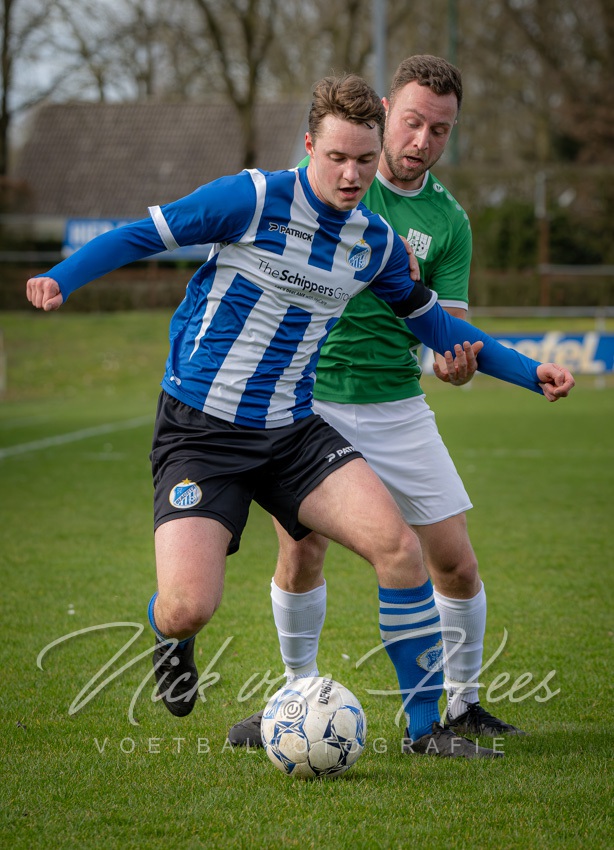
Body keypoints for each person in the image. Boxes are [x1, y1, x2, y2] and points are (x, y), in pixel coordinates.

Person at [27, 74, 573, 760]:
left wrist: (528, 371)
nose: (351, 175)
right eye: (337, 157)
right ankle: (170, 636)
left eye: (364, 160)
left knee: (400, 550)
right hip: (201, 431)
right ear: (310, 146)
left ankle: (425, 729)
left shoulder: (375, 243)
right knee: (188, 606)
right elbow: (143, 235)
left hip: (292, 431)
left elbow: (437, 327)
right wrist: (62, 278)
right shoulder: (251, 198)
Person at [227, 56, 569, 751]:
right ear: (385, 112)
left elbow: (451, 336)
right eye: (412, 122)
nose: (421, 140)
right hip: (311, 402)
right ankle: (294, 701)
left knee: (456, 562)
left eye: (439, 130)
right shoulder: (327, 181)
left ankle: (462, 706)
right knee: (302, 552)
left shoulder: (448, 221)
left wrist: (478, 368)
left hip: (398, 405)